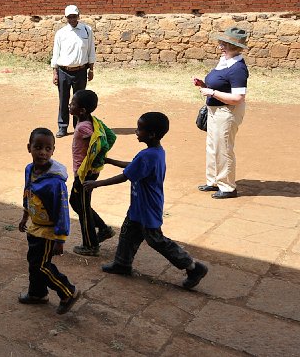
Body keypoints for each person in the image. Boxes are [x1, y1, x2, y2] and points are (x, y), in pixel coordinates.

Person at [84, 112, 209, 289]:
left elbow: (125, 176)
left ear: (151, 134)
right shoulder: (155, 152)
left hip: (147, 208)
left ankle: (193, 267)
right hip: (140, 205)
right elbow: (133, 165)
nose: (136, 131)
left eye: (140, 129)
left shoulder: (147, 155)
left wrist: (97, 184)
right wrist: (110, 160)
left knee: (156, 240)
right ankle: (122, 263)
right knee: (128, 233)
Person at [17, 127, 80, 315]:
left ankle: (68, 291)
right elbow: (28, 194)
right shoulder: (30, 169)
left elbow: (62, 210)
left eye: (47, 148)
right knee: (34, 261)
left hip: (49, 231)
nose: (42, 152)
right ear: (29, 148)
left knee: (42, 265)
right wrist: (25, 216)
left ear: (53, 150)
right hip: (35, 227)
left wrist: (60, 239)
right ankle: (37, 294)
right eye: (38, 147)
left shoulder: (55, 182)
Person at [194, 27, 249, 199]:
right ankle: (214, 181)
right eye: (221, 43)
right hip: (216, 111)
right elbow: (218, 84)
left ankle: (227, 187)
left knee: (223, 148)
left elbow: (238, 97)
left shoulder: (238, 68)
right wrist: (204, 85)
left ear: (235, 47)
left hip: (227, 111)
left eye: (224, 44)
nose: (220, 47)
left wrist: (212, 93)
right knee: (213, 146)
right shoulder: (225, 61)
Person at [68, 90, 116, 256]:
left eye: (73, 103)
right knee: (76, 202)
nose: (69, 105)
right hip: (88, 172)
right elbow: (111, 136)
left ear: (81, 110)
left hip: (85, 174)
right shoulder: (91, 120)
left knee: (82, 206)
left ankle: (90, 245)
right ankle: (103, 229)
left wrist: (97, 159)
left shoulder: (83, 127)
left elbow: (102, 141)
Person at [51, 5, 96, 138]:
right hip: (63, 71)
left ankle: (79, 127)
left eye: (74, 16)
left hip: (81, 71)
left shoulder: (87, 31)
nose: (72, 19)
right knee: (63, 100)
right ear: (66, 18)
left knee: (80, 101)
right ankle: (62, 127)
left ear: (78, 16)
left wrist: (91, 69)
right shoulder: (61, 33)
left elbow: (91, 51)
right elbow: (56, 53)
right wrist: (55, 73)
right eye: (69, 17)